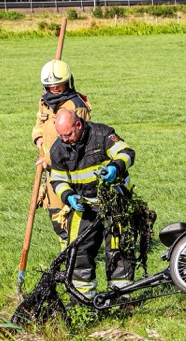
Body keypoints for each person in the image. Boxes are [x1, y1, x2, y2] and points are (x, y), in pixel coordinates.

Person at [48, 110, 136, 296]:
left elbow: (127, 153)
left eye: (68, 134)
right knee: (78, 251)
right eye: (61, 136)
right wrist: (68, 196)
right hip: (84, 206)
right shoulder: (58, 149)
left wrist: (115, 167)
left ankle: (120, 298)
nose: (65, 140)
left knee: (118, 249)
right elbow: (57, 180)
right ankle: (82, 299)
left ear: (78, 125)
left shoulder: (102, 134)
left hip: (114, 202)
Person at [32, 59, 90, 246]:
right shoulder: (44, 101)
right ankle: (65, 252)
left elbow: (76, 140)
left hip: (71, 169)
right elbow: (39, 125)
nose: (55, 89)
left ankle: (77, 254)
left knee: (72, 214)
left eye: (59, 85)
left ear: (68, 82)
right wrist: (39, 140)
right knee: (56, 216)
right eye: (51, 86)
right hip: (50, 169)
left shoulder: (76, 106)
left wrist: (49, 158)